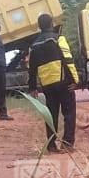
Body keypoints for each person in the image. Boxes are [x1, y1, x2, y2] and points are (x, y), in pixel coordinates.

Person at [28, 13, 78, 152]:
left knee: (51, 114)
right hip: (63, 82)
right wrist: (75, 80)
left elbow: (31, 68)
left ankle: (51, 145)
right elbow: (68, 59)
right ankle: (67, 144)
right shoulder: (58, 39)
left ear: (39, 26)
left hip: (47, 85)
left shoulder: (34, 45)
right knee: (69, 113)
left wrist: (32, 87)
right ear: (51, 24)